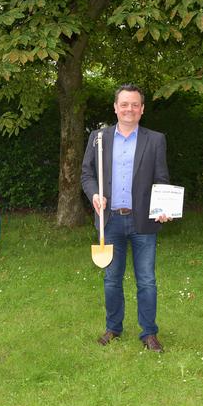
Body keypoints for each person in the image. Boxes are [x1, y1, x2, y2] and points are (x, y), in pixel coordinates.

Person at [81, 84, 171, 353]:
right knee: (111, 279)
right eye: (124, 104)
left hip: (143, 220)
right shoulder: (98, 138)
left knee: (146, 280)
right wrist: (95, 195)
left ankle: (149, 332)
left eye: (134, 105)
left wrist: (164, 207)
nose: (129, 109)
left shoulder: (155, 140)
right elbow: (87, 174)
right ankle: (113, 327)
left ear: (142, 109)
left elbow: (161, 179)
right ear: (115, 108)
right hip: (109, 220)